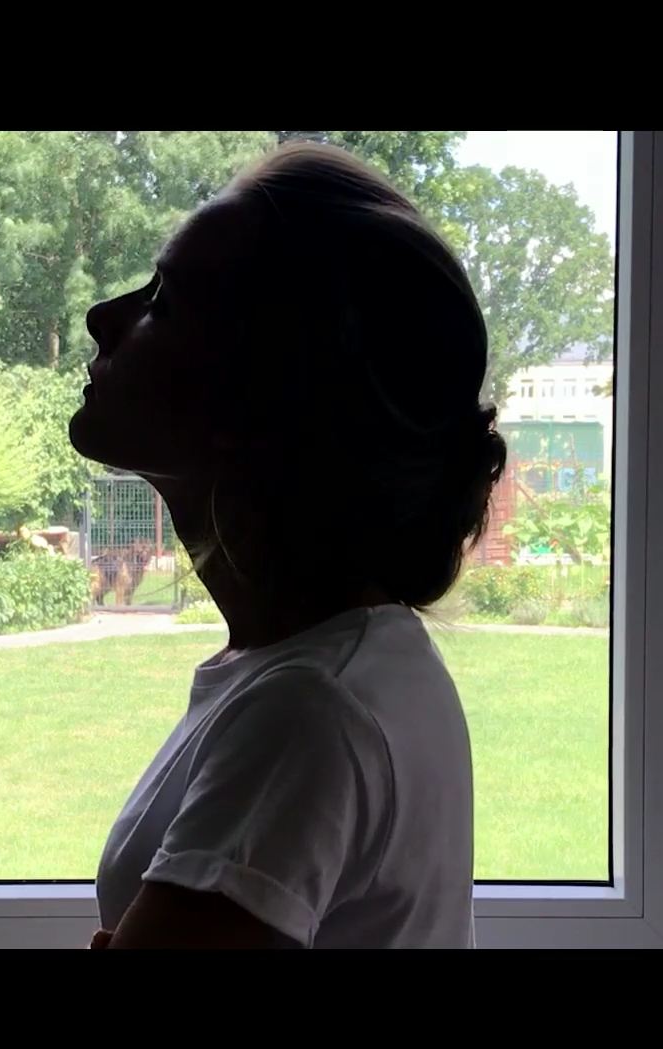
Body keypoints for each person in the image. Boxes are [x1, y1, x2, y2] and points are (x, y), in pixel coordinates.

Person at [70, 141, 505, 949]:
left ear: (262, 398)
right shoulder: (344, 666)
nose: (104, 318)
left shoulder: (306, 711)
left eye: (165, 302)